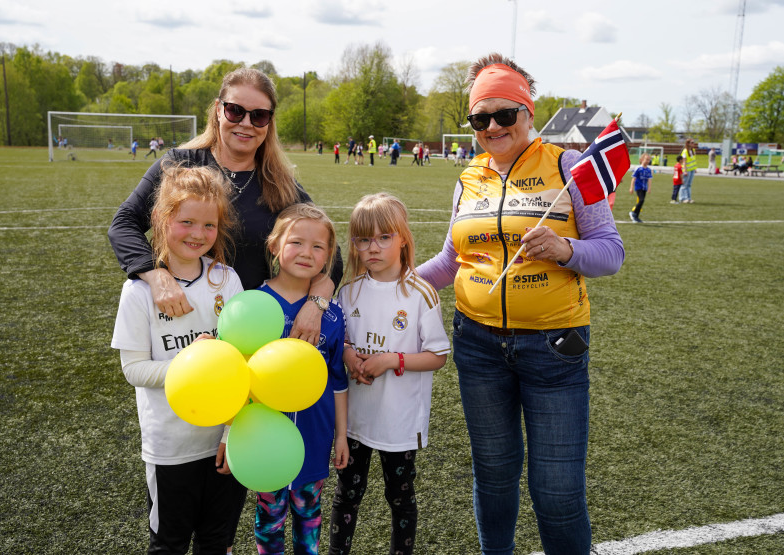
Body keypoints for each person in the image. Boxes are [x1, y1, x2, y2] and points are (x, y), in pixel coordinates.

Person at [417, 53, 624, 555]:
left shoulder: (568, 166)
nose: (493, 127)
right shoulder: (469, 177)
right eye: (480, 118)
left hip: (554, 350)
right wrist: (384, 285)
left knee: (556, 492)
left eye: (504, 114)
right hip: (477, 346)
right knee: (493, 476)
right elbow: (450, 262)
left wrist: (565, 249)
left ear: (528, 113)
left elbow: (611, 253)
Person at [109, 67, 342, 346]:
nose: (246, 123)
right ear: (218, 110)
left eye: (259, 116)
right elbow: (124, 222)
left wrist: (315, 305)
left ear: (269, 122)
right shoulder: (179, 165)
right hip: (183, 320)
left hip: (252, 331)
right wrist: (156, 276)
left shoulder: (280, 185)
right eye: (235, 111)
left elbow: (331, 255)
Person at [111, 163, 245, 554]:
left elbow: (242, 361)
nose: (198, 234)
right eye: (186, 221)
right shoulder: (138, 292)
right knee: (169, 543)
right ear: (161, 218)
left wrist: (230, 433)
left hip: (223, 441)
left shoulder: (228, 280)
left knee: (216, 541)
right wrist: (193, 364)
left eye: (209, 226)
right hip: (171, 446)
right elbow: (133, 368)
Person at [330, 193, 450, 555]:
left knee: (400, 497)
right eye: (364, 239)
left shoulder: (420, 294)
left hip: (398, 419)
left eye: (384, 237)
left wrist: (391, 359)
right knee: (347, 494)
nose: (373, 247)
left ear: (403, 240)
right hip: (353, 420)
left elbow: (438, 355)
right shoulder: (347, 292)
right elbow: (341, 341)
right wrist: (350, 355)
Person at [253, 203, 349, 555]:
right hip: (264, 443)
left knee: (309, 518)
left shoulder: (333, 314)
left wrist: (341, 435)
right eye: (296, 242)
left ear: (328, 258)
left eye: (318, 247)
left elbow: (339, 379)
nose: (307, 253)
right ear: (275, 245)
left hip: (316, 437)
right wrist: (229, 435)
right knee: (269, 519)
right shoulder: (253, 305)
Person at [629, 154, 652, 223]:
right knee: (641, 200)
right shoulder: (638, 168)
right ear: (642, 159)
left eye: (649, 160)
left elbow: (649, 179)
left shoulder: (648, 170)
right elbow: (633, 178)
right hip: (638, 187)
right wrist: (631, 187)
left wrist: (649, 188)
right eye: (646, 159)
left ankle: (636, 217)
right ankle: (633, 213)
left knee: (641, 201)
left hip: (644, 188)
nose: (648, 161)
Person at [680, 138, 697, 203]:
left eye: (693, 142)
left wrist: (695, 168)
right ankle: (682, 198)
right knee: (684, 185)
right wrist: (685, 171)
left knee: (689, 185)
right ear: (688, 143)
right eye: (692, 142)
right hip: (687, 170)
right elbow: (684, 162)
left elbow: (693, 160)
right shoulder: (685, 151)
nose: (693, 143)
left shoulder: (693, 150)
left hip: (692, 169)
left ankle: (688, 198)